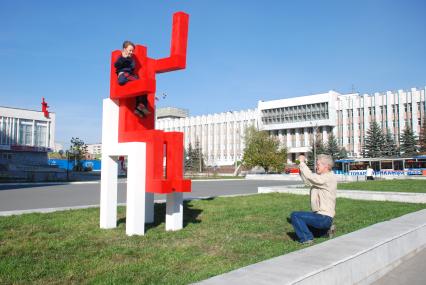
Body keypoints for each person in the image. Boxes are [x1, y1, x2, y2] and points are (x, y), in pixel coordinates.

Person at [290, 154, 337, 244]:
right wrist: (301, 166)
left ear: (326, 166)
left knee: (295, 216)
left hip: (324, 217)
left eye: (318, 164)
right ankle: (325, 232)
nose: (316, 167)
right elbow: (308, 180)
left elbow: (311, 177)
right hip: (321, 216)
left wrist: (302, 163)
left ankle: (307, 239)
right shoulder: (322, 177)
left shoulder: (328, 177)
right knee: (303, 226)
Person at [114, 40, 150, 117]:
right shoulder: (121, 57)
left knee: (141, 89)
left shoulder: (131, 59)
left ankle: (139, 108)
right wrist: (124, 57)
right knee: (141, 84)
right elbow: (116, 65)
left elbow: (132, 68)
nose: (131, 52)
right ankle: (139, 107)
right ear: (124, 49)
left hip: (129, 77)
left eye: (132, 51)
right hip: (123, 76)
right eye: (130, 50)